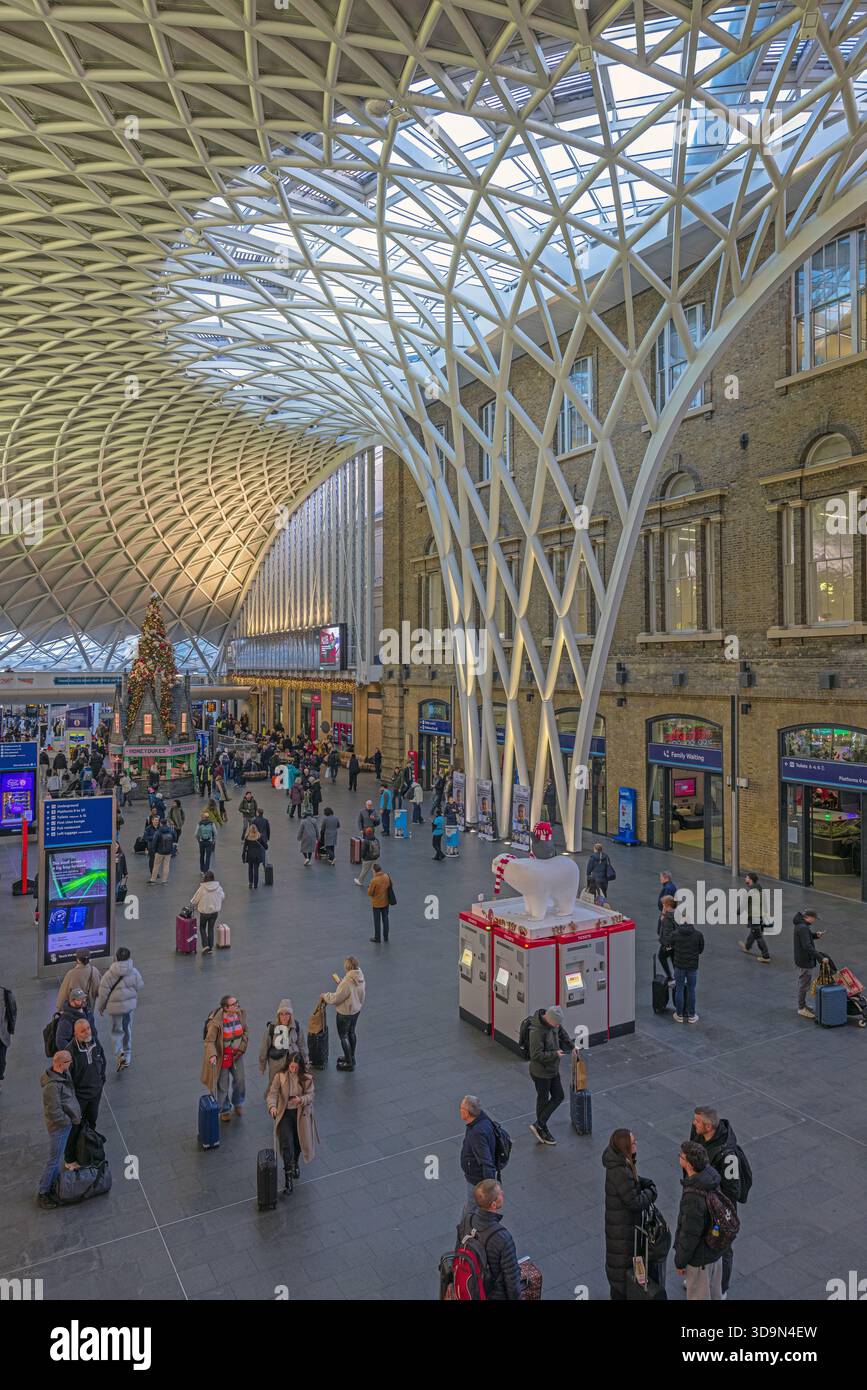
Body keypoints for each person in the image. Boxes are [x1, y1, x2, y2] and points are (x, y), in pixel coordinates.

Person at [690, 1106, 748, 1298]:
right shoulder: (698, 1135)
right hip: (701, 1199)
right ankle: (702, 1279)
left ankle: (721, 1288)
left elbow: (733, 1189)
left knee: (723, 1246)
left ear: (708, 1127)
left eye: (697, 1121)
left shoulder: (727, 1153)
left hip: (719, 1207)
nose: (693, 1124)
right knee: (701, 1237)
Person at [602, 1129, 660, 1299]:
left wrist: (640, 1182)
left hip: (619, 1229)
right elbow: (635, 1202)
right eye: (633, 1142)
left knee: (619, 1275)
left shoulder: (619, 1163)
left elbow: (628, 1185)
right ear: (625, 1147)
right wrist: (652, 1192)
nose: (636, 1144)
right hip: (623, 1233)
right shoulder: (621, 1171)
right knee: (622, 1276)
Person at [674, 1141, 726, 1300]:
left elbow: (689, 1234)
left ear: (688, 1165)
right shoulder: (711, 1179)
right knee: (715, 1293)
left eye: (680, 1156)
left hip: (700, 1259)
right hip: (715, 1251)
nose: (679, 1158)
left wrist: (680, 1261)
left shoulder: (693, 1197)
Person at [458, 1180, 522, 1301]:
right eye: (500, 1194)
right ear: (493, 1205)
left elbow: (459, 1249)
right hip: (492, 1293)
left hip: (468, 1283)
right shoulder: (502, 1238)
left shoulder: (467, 1220)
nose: (503, 1193)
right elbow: (512, 1280)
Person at [267, 1052, 316, 1194]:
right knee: (286, 1144)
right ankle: (288, 1177)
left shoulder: (306, 1078)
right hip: (285, 1114)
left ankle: (295, 1162)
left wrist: (301, 1100)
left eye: (295, 1067)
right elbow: (272, 1093)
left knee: (298, 1143)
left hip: (301, 1114)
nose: (293, 1070)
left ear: (299, 1067)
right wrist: (272, 1107)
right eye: (291, 1067)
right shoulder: (280, 1076)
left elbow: (311, 1095)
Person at [37, 1051, 81, 1208]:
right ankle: (43, 1192)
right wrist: (67, 1121)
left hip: (63, 1124)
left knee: (57, 1157)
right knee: (54, 1160)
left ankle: (52, 1185)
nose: (71, 1063)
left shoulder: (62, 1074)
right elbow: (53, 1111)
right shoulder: (52, 1087)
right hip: (59, 1127)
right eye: (69, 1061)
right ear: (60, 1063)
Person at [528, 1005, 572, 1145]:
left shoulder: (554, 1024)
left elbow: (561, 1033)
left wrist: (572, 1046)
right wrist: (555, 1054)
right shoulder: (536, 1032)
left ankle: (539, 1124)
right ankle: (541, 1127)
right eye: (556, 1023)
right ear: (549, 1020)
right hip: (541, 1072)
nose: (558, 1025)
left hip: (552, 1069)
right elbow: (536, 1055)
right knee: (543, 1098)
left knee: (559, 1096)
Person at [65, 1017, 107, 1161]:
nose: (87, 1032)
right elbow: (67, 1078)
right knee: (75, 1126)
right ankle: (70, 1157)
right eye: (83, 1030)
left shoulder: (95, 1042)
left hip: (95, 1092)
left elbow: (103, 1060)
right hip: (80, 1096)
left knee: (92, 1121)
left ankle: (88, 1148)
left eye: (88, 1028)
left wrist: (101, 1080)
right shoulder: (70, 1052)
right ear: (76, 1033)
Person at [97, 947, 144, 1071]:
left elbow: (102, 994)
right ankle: (127, 1054)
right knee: (127, 1029)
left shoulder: (108, 975)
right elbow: (140, 985)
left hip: (114, 1009)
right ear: (129, 957)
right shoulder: (133, 971)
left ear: (116, 958)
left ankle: (119, 1053)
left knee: (116, 1030)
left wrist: (101, 1007)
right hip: (129, 1008)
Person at [202, 995, 248, 1120]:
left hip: (236, 1055)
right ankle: (225, 1109)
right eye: (233, 1004)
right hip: (222, 1057)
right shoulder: (216, 1022)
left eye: (236, 1002)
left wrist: (242, 1046)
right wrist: (212, 1055)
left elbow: (245, 1031)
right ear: (226, 1008)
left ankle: (238, 1102)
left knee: (240, 1080)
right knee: (222, 1084)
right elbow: (209, 1041)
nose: (237, 1005)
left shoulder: (240, 1014)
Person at [320, 958, 365, 1070]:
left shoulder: (347, 982)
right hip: (356, 1010)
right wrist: (341, 984)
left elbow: (336, 998)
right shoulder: (360, 977)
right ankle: (351, 1057)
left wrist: (325, 996)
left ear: (347, 967)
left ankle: (348, 1063)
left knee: (343, 1036)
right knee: (352, 1033)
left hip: (345, 1013)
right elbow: (353, 991)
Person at [459, 1096, 499, 1219]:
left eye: (461, 1108)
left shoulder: (477, 1132)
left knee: (471, 1206)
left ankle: (463, 1231)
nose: (459, 1111)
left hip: (476, 1178)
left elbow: (486, 1161)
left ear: (466, 1112)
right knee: (471, 1205)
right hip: (476, 1175)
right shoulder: (480, 1120)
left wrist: (490, 1188)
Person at [259, 999, 308, 1088]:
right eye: (281, 1014)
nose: (284, 1017)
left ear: (291, 1015)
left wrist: (305, 1062)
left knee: (293, 1085)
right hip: (276, 1063)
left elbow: (302, 1045)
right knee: (274, 1085)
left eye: (287, 1014)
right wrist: (262, 1066)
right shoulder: (272, 1027)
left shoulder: (296, 1026)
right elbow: (264, 1048)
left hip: (293, 1061)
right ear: (278, 1015)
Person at [671, 913, 705, 1024]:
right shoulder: (698, 935)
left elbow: (669, 945)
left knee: (679, 989)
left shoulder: (675, 934)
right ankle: (691, 1015)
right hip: (692, 966)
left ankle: (679, 1014)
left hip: (679, 965)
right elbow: (701, 950)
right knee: (691, 990)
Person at [794, 909, 826, 1019]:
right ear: (808, 917)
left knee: (804, 983)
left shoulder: (801, 925)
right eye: (814, 918)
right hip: (805, 960)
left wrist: (816, 935)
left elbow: (806, 937)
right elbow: (807, 946)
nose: (814, 921)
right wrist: (821, 958)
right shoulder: (803, 927)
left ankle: (803, 1005)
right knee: (804, 985)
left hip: (803, 959)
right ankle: (801, 1008)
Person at [738, 871, 770, 961]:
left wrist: (738, 912)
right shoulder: (759, 888)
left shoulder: (752, 891)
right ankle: (747, 947)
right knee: (754, 931)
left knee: (758, 935)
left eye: (747, 877)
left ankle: (766, 956)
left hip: (754, 916)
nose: (745, 879)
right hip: (759, 914)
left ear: (750, 880)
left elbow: (744, 903)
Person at [191, 871, 225, 954]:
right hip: (214, 912)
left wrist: (192, 903)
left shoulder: (202, 888)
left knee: (202, 928)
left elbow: (195, 899)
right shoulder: (218, 887)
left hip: (204, 912)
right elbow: (223, 896)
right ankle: (210, 947)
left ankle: (205, 945)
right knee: (210, 928)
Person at [55, 987, 96, 1051]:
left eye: (84, 998)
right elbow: (61, 1041)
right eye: (80, 999)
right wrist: (73, 1054)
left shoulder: (87, 1011)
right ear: (72, 1001)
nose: (84, 1001)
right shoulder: (66, 1019)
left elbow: (93, 1030)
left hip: (91, 1049)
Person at [368, 861, 393, 943]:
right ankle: (386, 937)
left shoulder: (374, 880)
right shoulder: (386, 876)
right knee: (385, 919)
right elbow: (391, 884)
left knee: (377, 921)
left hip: (377, 903)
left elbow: (370, 893)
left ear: (374, 871)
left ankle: (377, 938)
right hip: (386, 902)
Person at [148, 818, 176, 885]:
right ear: (166, 823)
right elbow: (175, 838)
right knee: (166, 866)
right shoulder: (171, 831)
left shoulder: (158, 831)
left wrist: (154, 850)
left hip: (159, 851)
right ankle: (164, 880)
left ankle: (153, 880)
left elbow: (154, 842)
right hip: (168, 851)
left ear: (160, 823)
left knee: (156, 865)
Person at [0, 980, 17, 1086]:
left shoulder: (5, 993)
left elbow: (13, 1011)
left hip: (1, 1035)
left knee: (1, 1061)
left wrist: (11, 1028)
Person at [242, 822, 265, 888]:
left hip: (250, 855)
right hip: (257, 856)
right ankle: (255, 884)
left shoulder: (247, 838)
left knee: (250, 869)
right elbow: (265, 846)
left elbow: (244, 848)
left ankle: (250, 883)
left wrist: (243, 856)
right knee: (256, 870)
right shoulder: (259, 836)